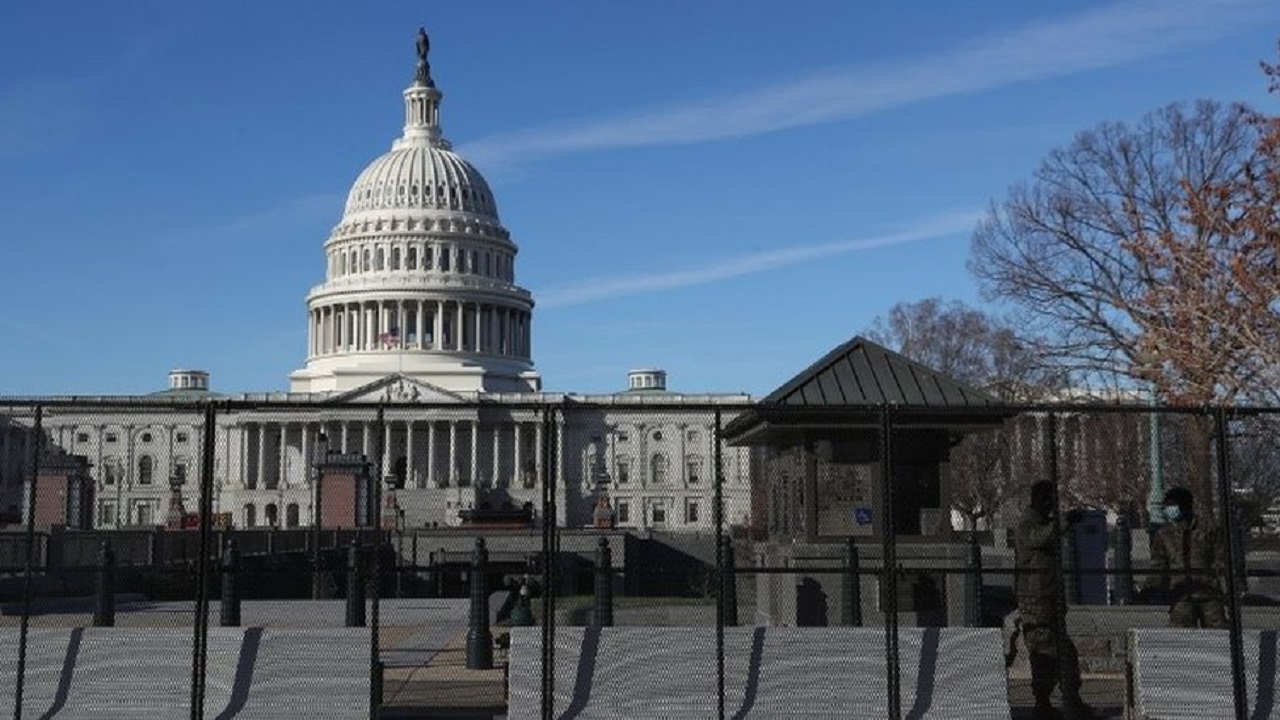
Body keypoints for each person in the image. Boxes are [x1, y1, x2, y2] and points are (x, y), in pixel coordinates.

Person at [1015, 480, 1093, 720]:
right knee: (1043, 652)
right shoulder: (1027, 522)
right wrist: (1062, 523)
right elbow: (1037, 539)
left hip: (1049, 597)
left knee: (1065, 652)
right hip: (1034, 599)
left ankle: (1071, 698)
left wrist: (1067, 522)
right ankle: (1042, 702)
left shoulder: (1044, 522)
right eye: (1049, 500)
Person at [1145, 486, 1228, 628]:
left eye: (1174, 505)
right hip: (1181, 593)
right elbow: (1158, 565)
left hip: (1209, 592)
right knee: (1182, 638)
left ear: (1184, 506)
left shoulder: (1208, 528)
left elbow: (1222, 558)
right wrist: (1149, 589)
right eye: (1168, 506)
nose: (1170, 509)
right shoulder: (1165, 534)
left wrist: (1227, 586)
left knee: (1218, 634)